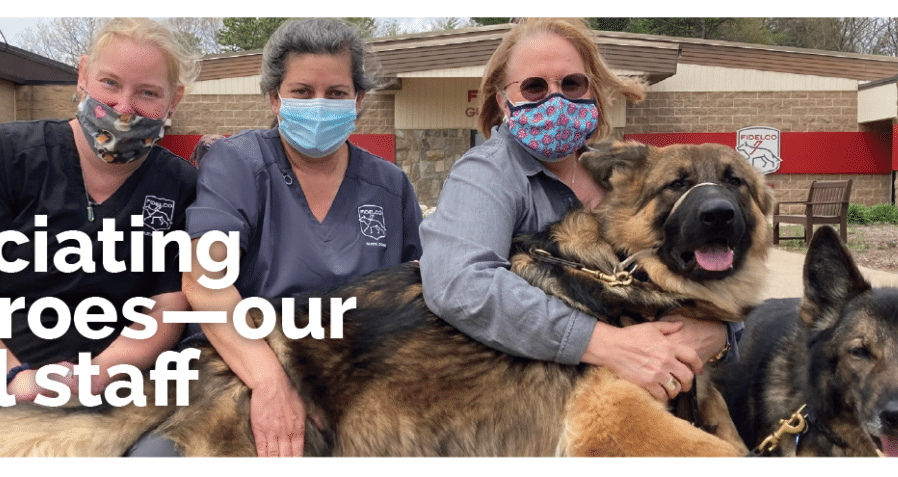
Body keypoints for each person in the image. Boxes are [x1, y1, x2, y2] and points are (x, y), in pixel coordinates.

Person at [0, 17, 200, 456]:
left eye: (147, 92)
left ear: (174, 99)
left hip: (110, 393)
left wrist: (93, 376)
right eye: (109, 83)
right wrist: (14, 377)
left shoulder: (179, 186)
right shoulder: (7, 155)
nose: (124, 107)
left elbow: (167, 307)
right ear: (82, 76)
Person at [419, 18, 736, 405]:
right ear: (504, 101)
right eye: (535, 87)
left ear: (593, 91)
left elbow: (697, 261)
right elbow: (460, 284)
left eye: (572, 84)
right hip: (538, 399)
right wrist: (605, 344)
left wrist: (719, 333)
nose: (556, 99)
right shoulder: (488, 172)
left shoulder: (618, 172)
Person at [182, 18, 423, 458]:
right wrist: (270, 383)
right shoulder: (237, 165)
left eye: (335, 93)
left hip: (357, 378)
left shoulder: (389, 186)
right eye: (301, 91)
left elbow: (412, 287)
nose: (319, 105)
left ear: (359, 99)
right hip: (240, 367)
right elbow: (204, 281)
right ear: (275, 98)